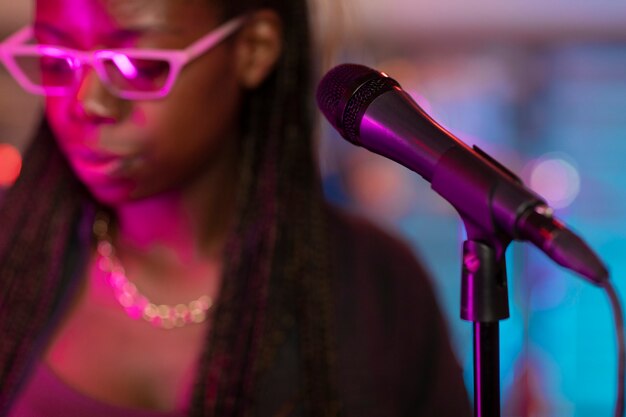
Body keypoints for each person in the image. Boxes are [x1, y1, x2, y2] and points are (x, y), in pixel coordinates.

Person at [0, 0, 471, 415]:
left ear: (253, 49)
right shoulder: (14, 251)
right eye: (56, 61)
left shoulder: (374, 287)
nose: (88, 102)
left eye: (137, 66)